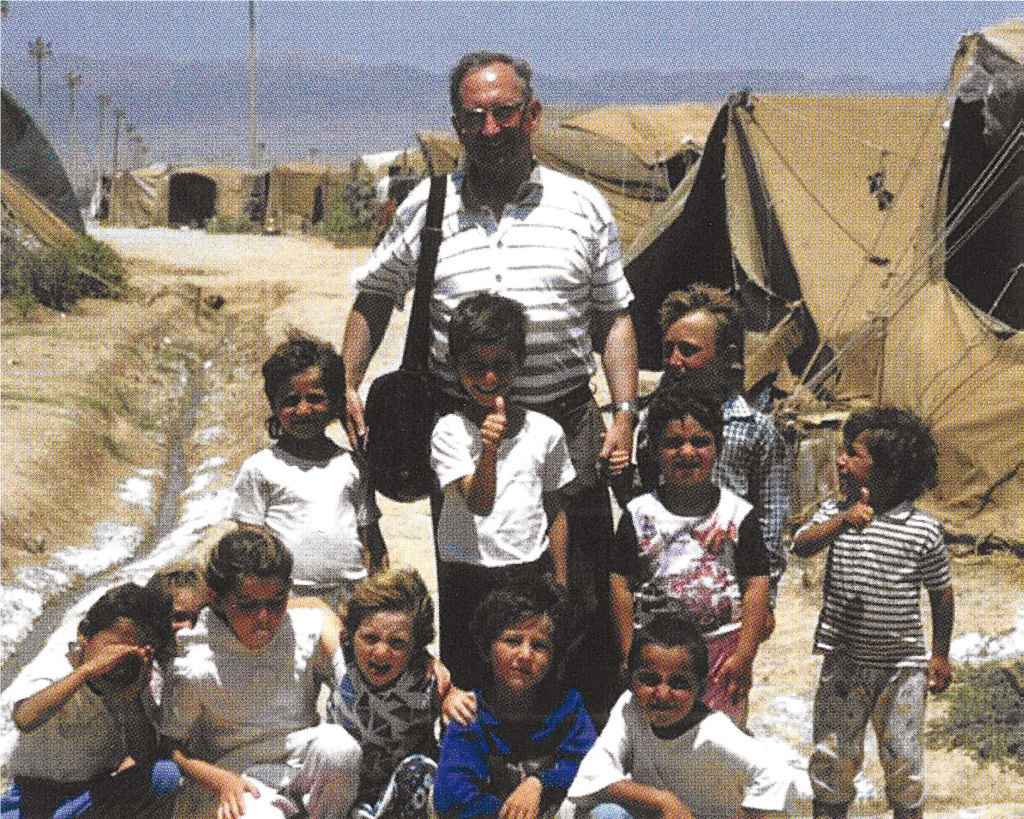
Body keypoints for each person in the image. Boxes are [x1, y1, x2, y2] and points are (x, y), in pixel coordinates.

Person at [343, 49, 638, 718]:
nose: (491, 128)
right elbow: (377, 292)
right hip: (464, 432)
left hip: (568, 422)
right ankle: (478, 742)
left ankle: (576, 738)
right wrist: (349, 380)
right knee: (475, 593)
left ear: (532, 115)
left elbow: (613, 313)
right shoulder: (428, 206)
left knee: (577, 591)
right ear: (457, 124)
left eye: (505, 112)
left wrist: (624, 411)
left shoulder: (582, 205)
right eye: (474, 117)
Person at [792, 407, 954, 819]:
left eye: (852, 453)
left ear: (890, 469)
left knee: (903, 759)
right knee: (833, 757)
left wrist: (939, 654)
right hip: (844, 664)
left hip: (902, 670)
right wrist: (842, 521)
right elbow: (801, 544)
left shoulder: (922, 530)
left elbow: (941, 594)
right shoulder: (837, 512)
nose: (840, 460)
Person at [161, 528, 361, 819]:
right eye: (248, 606)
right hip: (235, 777)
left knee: (340, 749)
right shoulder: (193, 663)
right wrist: (221, 780)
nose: (264, 617)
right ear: (216, 599)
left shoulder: (307, 630)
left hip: (299, 759)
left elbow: (361, 678)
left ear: (288, 590)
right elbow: (170, 746)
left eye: (275, 603)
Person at [430, 293, 576, 690]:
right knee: (469, 681)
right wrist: (489, 450)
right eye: (476, 366)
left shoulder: (546, 432)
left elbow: (555, 510)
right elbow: (478, 503)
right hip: (468, 575)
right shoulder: (450, 431)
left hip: (529, 571)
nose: (489, 378)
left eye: (501, 366)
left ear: (520, 362)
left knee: (525, 678)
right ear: (455, 365)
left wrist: (560, 585)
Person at [610, 385, 771, 727]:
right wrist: (627, 653)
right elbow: (621, 583)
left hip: (720, 653)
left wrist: (745, 654)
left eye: (700, 442)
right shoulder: (639, 515)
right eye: (673, 443)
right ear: (654, 450)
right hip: (656, 657)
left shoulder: (737, 515)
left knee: (721, 736)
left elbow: (756, 584)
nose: (687, 452)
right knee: (660, 735)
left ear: (718, 447)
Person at [635, 285, 790, 620]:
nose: (674, 361)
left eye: (688, 350)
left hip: (728, 599)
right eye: (668, 349)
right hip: (664, 594)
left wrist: (764, 600)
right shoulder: (650, 424)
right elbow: (640, 502)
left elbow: (771, 524)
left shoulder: (756, 431)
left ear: (726, 354)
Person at [567, 613, 795, 819]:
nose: (662, 694)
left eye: (678, 683)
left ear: (701, 689)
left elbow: (777, 775)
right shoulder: (631, 708)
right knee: (605, 814)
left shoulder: (713, 732)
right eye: (650, 680)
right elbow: (592, 773)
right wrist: (664, 800)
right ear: (629, 680)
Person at [230, 329, 386, 609]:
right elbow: (248, 548)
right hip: (288, 601)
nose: (303, 410)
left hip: (350, 598)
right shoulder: (260, 469)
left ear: (336, 401)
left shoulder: (352, 465)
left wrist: (378, 597)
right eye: (290, 401)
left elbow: (371, 540)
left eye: (315, 398)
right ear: (273, 405)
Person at [2, 583, 180, 819]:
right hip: (31, 799)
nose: (117, 660)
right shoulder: (57, 669)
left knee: (164, 774)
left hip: (90, 796)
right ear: (84, 635)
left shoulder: (131, 682)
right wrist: (86, 671)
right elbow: (25, 718)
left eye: (131, 653)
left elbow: (144, 755)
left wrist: (130, 700)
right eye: (113, 648)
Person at [432, 576, 597, 819]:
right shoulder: (469, 712)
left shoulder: (567, 708)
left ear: (554, 656)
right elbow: (451, 795)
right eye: (512, 641)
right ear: (487, 647)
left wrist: (540, 782)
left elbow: (594, 766)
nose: (525, 655)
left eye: (539, 645)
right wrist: (510, 812)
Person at [328, 568, 476, 819]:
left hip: (400, 794)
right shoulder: (339, 658)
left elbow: (457, 701)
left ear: (416, 646)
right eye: (370, 638)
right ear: (350, 634)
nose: (381, 652)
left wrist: (451, 695)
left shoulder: (426, 681)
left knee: (422, 769)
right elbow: (311, 607)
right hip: (343, 788)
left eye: (397, 643)